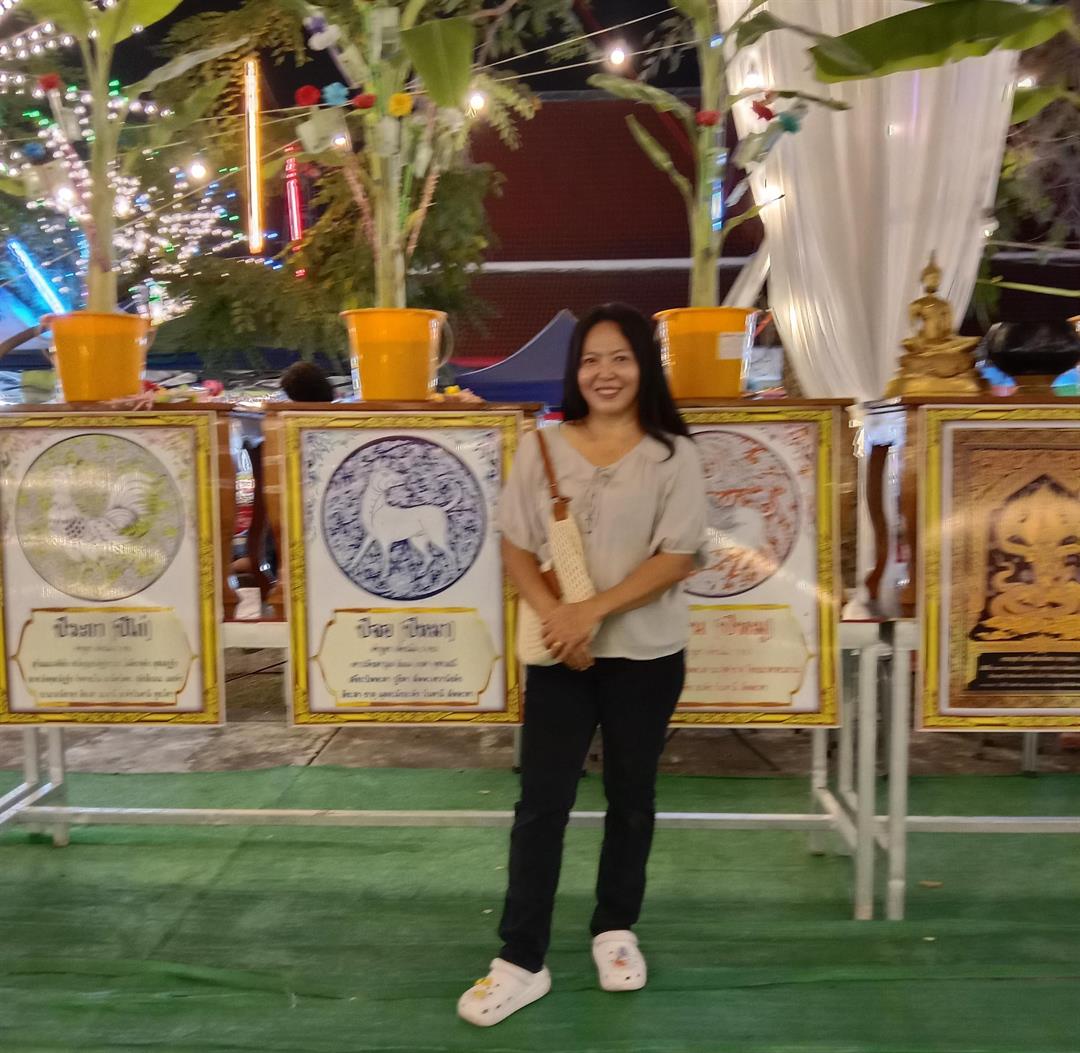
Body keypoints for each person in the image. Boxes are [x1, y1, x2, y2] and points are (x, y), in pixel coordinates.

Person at [457, 303, 708, 1027]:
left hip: (647, 657)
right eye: (592, 359)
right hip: (560, 658)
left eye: (621, 358)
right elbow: (514, 543)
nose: (605, 372)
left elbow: (677, 556)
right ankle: (521, 959)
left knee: (632, 798)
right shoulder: (543, 446)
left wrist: (586, 612)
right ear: (576, 370)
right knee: (542, 804)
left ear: (644, 366)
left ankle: (614, 929)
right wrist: (555, 616)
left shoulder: (673, 455)